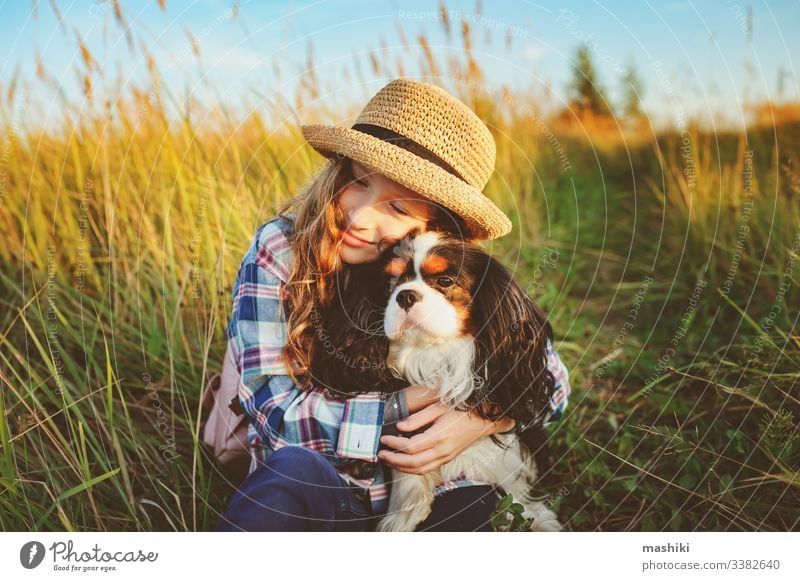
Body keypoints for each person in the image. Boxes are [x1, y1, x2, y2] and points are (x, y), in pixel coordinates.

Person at [214, 79, 571, 532]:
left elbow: (552, 383)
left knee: (474, 506)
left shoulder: (420, 266)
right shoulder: (280, 249)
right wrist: (406, 406)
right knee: (289, 475)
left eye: (399, 209)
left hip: (438, 493)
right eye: (357, 182)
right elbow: (278, 417)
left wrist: (481, 418)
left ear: (433, 226)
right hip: (327, 485)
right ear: (337, 171)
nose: (361, 218)